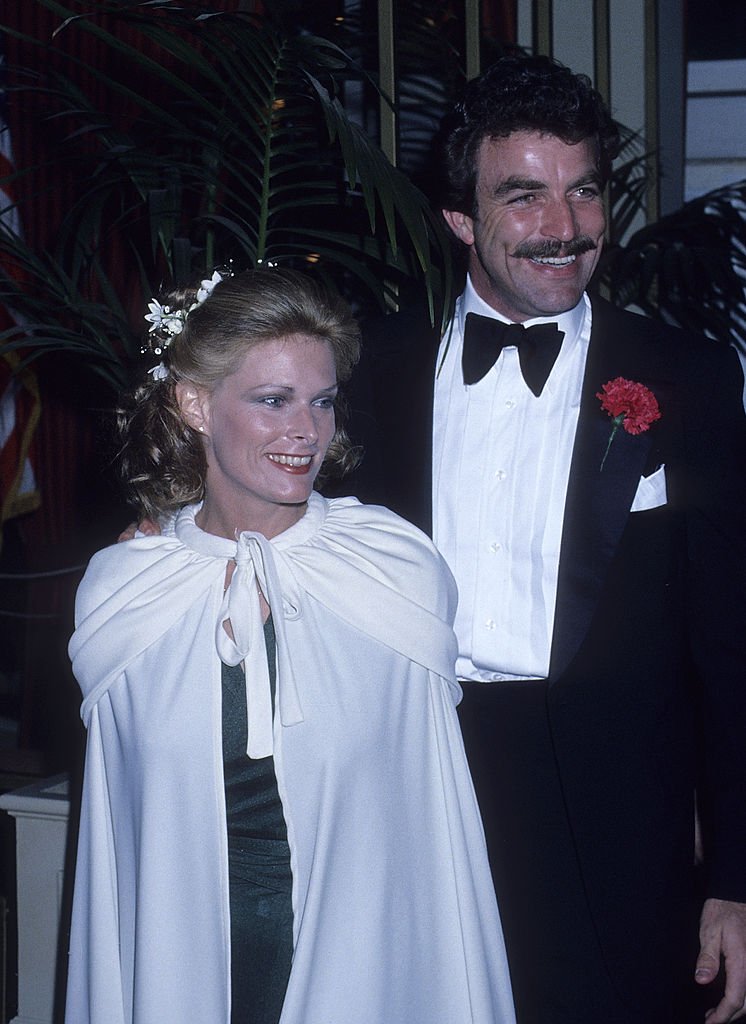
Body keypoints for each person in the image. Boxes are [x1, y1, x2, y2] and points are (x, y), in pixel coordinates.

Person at [339, 54, 746, 1024]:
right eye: (522, 196)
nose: (562, 228)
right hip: (419, 791)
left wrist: (735, 877)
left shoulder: (685, 376)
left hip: (617, 816)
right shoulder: (365, 371)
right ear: (456, 217)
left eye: (582, 191)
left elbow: (734, 645)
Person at [65, 267, 516, 1024]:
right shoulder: (127, 589)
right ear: (195, 403)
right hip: (183, 961)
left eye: (323, 401)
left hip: (363, 958)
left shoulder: (393, 568)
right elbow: (126, 838)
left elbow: (425, 826)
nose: (305, 432)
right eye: (273, 401)